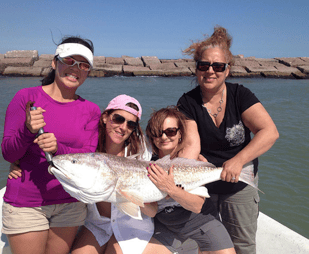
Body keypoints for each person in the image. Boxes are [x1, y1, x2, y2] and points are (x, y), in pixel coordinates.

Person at [175, 26, 279, 254]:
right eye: (204, 65)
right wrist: (188, 164)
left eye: (218, 66)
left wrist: (238, 160)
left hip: (240, 183)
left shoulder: (240, 95)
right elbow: (192, 144)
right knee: (204, 242)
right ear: (196, 69)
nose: (210, 71)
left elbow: (269, 132)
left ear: (227, 70)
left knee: (242, 245)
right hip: (203, 184)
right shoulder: (187, 102)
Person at [2, 36, 101, 254]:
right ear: (55, 62)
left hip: (70, 203)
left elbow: (89, 156)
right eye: (69, 61)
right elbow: (9, 153)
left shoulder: (92, 110)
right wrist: (27, 131)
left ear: (88, 72)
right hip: (27, 202)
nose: (75, 69)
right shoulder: (25, 97)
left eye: (83, 65)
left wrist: (58, 150)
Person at [144, 106, 236, 254]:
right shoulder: (147, 162)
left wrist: (171, 189)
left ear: (180, 133)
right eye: (156, 133)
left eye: (170, 131)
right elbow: (152, 211)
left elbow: (197, 206)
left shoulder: (190, 161)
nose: (163, 137)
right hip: (166, 226)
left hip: (201, 221)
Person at [71, 94, 156, 254]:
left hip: (131, 223)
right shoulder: (88, 150)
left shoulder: (142, 152)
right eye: (118, 119)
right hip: (98, 223)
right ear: (105, 117)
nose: (123, 127)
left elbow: (172, 147)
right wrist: (18, 164)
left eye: (131, 124)